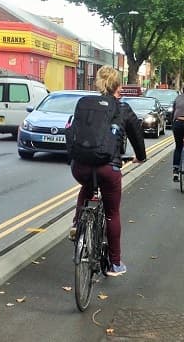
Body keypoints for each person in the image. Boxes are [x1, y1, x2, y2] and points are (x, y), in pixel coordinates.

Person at [70, 66, 146, 277]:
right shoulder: (122, 108)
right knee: (112, 213)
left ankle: (77, 225)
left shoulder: (84, 104)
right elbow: (137, 135)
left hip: (81, 166)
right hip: (108, 167)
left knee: (87, 187)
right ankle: (114, 264)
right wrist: (140, 156)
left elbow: (72, 130)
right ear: (117, 86)